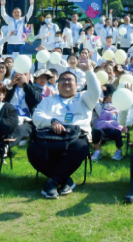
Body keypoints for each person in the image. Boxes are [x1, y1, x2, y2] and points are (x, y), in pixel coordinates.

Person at [29, 56, 100, 199]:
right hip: (52, 136)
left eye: (70, 80)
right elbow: (36, 117)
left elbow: (96, 92)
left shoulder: (84, 97)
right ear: (57, 84)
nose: (66, 82)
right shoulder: (49, 100)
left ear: (77, 84)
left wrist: (88, 70)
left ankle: (53, 182)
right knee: (33, 150)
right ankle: (65, 180)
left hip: (77, 137)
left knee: (81, 146)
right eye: (63, 79)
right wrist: (52, 121)